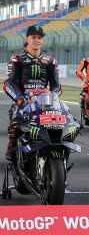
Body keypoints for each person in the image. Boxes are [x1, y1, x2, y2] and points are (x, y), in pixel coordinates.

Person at [3, 25, 60, 162]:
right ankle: (12, 147)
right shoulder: (17, 59)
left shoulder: (50, 60)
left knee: (60, 120)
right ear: (27, 38)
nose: (36, 40)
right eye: (33, 37)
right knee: (17, 122)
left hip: (44, 102)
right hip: (24, 102)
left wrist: (52, 94)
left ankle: (56, 153)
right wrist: (20, 99)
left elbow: (56, 86)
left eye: (39, 38)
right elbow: (9, 84)